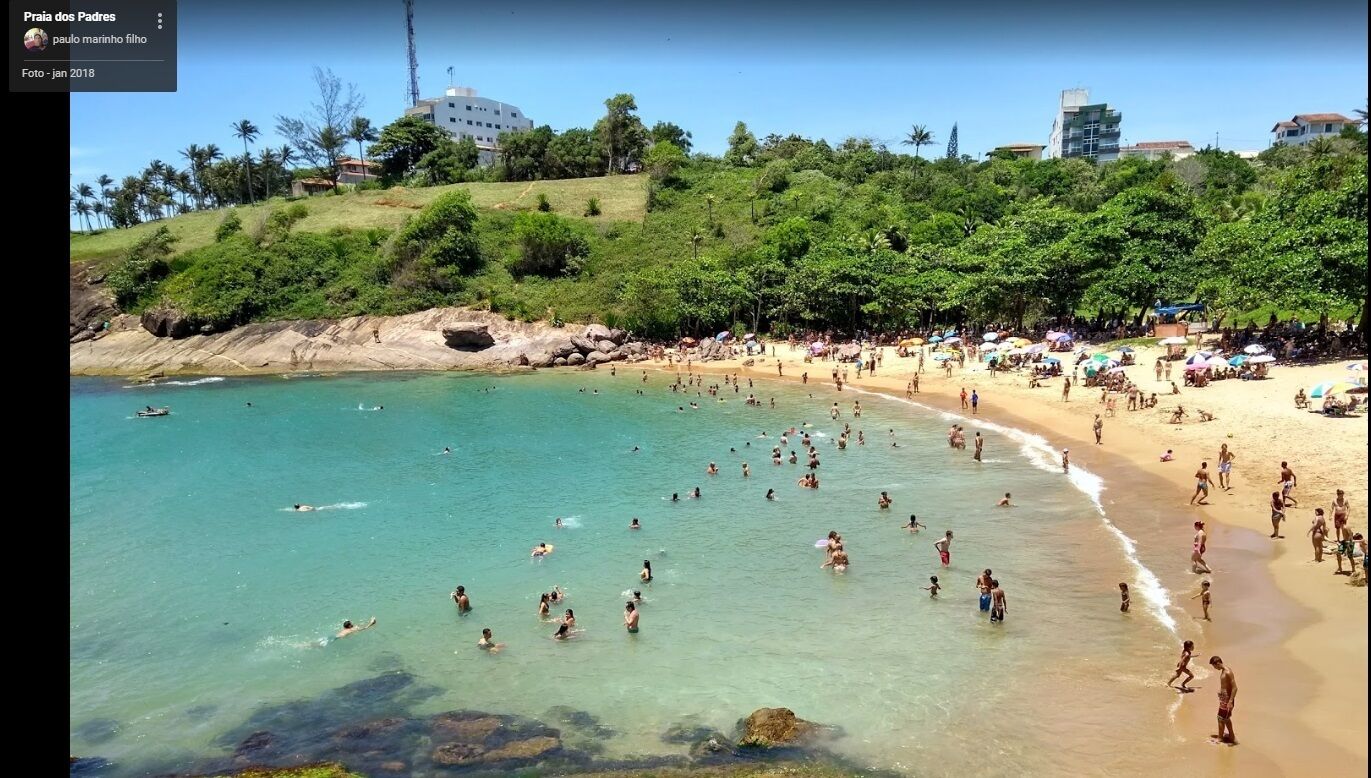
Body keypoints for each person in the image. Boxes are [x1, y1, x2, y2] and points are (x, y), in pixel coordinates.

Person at [1209, 656, 1238, 744]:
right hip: (1224, 699)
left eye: (1214, 666)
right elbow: (1226, 685)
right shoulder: (1224, 670)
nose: (1214, 668)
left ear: (1218, 663)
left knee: (1220, 718)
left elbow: (1235, 688)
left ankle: (1220, 738)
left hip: (1227, 700)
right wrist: (1221, 692)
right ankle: (1231, 736)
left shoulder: (1227, 672)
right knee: (1226, 718)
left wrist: (1230, 701)